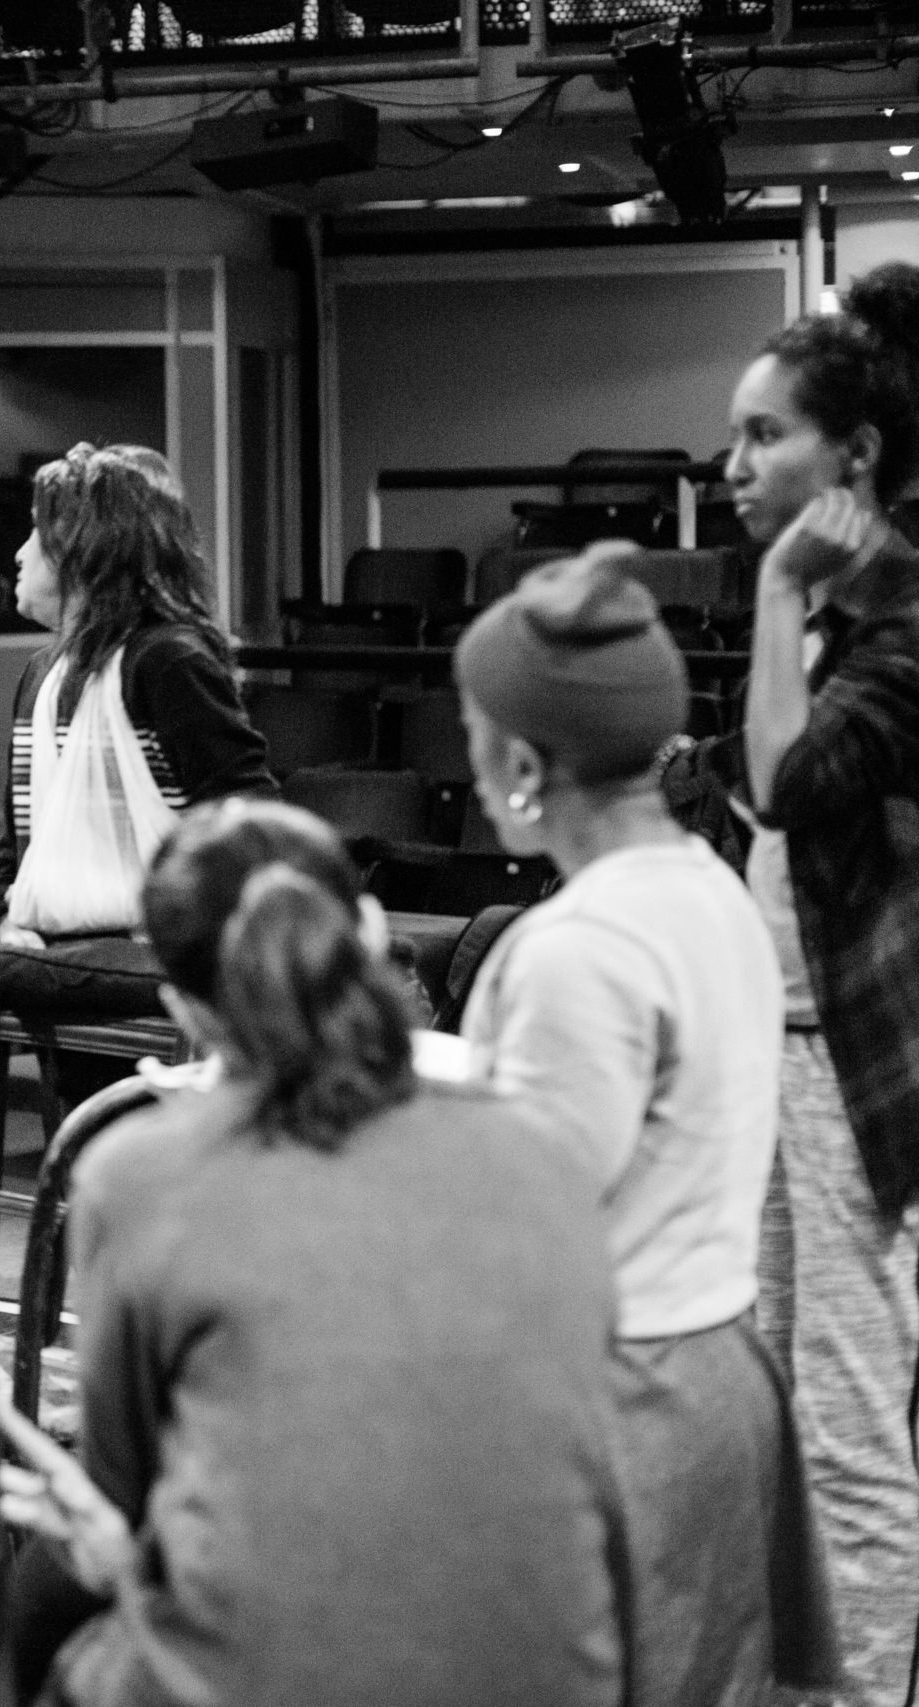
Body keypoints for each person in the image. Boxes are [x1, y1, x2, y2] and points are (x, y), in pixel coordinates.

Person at [0, 799, 628, 1707]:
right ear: (369, 931)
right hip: (552, 1666)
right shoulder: (542, 1139)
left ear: (182, 1009)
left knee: (25, 1624)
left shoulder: (138, 1173)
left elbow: (126, 1487)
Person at [456, 548, 835, 1706]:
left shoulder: (579, 950)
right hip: (717, 1378)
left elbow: (529, 1230)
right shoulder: (712, 890)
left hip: (615, 1403)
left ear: (521, 759)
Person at [703, 260, 919, 1707]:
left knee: (848, 1435)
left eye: (763, 435)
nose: (733, 468)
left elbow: (783, 780)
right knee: (776, 1412)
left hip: (853, 1074)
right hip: (778, 1054)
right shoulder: (847, 613)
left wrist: (781, 588)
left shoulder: (899, 618)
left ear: (857, 457)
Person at [0, 443, 271, 954]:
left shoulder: (165, 661)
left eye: (36, 531)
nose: (20, 553)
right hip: (48, 947)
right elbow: (18, 844)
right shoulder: (40, 674)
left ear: (86, 547)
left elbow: (245, 815)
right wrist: (6, 917)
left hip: (165, 949)